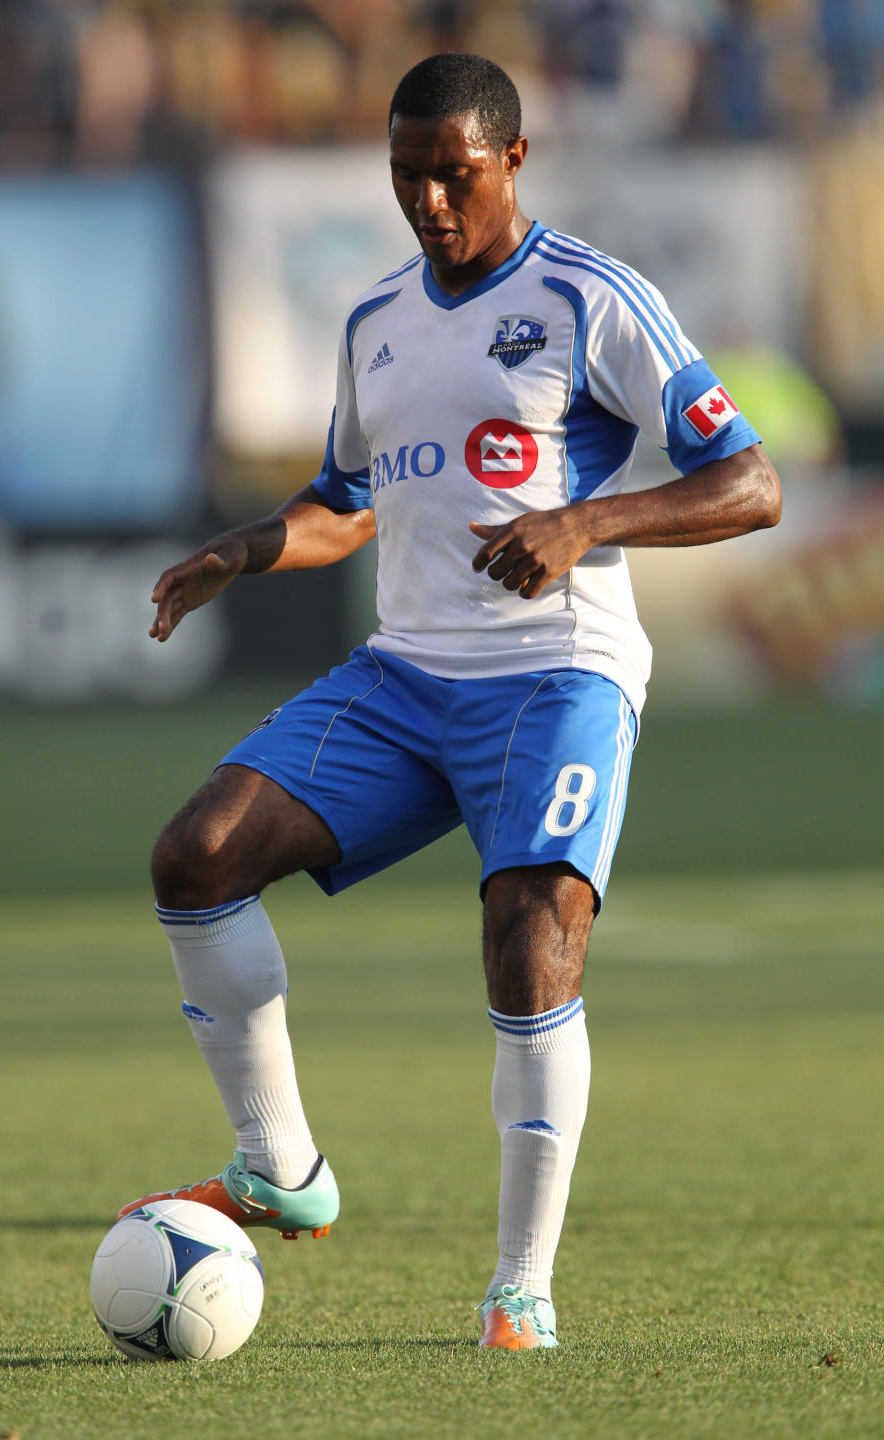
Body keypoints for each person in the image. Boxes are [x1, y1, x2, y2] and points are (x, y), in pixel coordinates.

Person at [119, 52, 781, 1350]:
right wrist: (244, 548)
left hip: (557, 673)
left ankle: (519, 1291)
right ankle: (283, 1171)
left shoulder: (592, 297)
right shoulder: (376, 321)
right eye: (407, 173)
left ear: (513, 162)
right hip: (409, 675)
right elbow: (345, 505)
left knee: (530, 932)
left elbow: (751, 482)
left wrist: (586, 521)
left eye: (453, 173)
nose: (429, 198)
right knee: (195, 856)